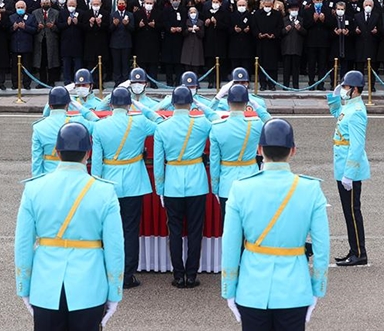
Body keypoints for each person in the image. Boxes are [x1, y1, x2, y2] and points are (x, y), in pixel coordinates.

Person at [221, 118, 329, 331]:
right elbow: (322, 247)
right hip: (295, 290)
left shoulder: (241, 188)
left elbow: (230, 245)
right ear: (293, 151)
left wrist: (229, 290)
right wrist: (317, 289)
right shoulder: (310, 189)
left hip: (252, 289)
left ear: (259, 149)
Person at [15, 122, 123, 331]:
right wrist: (114, 291)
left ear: (56, 152)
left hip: (45, 286)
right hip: (89, 287)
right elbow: (115, 248)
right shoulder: (104, 191)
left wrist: (24, 287)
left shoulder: (34, 188)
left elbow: (23, 244)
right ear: (88, 154)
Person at [91, 87, 162, 289]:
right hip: (134, 182)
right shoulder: (138, 122)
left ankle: (109, 272)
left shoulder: (100, 127)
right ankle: (128, 274)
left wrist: (96, 184)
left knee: (109, 230)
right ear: (130, 104)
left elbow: (96, 162)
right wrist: (144, 109)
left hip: (108, 182)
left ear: (111, 104)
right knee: (130, 230)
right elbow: (161, 125)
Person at [153, 86, 212, 289]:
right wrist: (201, 104)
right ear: (191, 102)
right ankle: (191, 274)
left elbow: (159, 164)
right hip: (197, 181)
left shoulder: (162, 128)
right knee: (196, 230)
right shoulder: (202, 123)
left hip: (172, 184)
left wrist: (160, 189)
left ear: (172, 103)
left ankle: (178, 275)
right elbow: (215, 118)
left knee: (175, 231)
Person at [209, 84, 271, 221]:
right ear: (246, 102)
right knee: (250, 230)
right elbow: (272, 124)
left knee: (230, 230)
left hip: (226, 184)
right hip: (251, 180)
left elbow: (214, 162)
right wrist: (258, 107)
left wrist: (215, 188)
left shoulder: (217, 127)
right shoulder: (255, 124)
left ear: (228, 102)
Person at [327, 70, 370, 266]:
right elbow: (337, 114)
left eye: (345, 87)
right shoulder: (349, 107)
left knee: (352, 212)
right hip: (342, 165)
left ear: (354, 89)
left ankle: (359, 253)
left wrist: (349, 174)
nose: (343, 89)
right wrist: (334, 97)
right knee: (348, 211)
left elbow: (357, 146)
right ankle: (354, 250)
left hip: (348, 169)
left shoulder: (357, 112)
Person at [31, 86, 98, 177]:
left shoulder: (39, 127)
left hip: (49, 176)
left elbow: (37, 160)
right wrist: (82, 109)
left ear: (50, 105)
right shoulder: (77, 121)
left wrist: (37, 182)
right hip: (75, 176)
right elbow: (98, 125)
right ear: (68, 105)